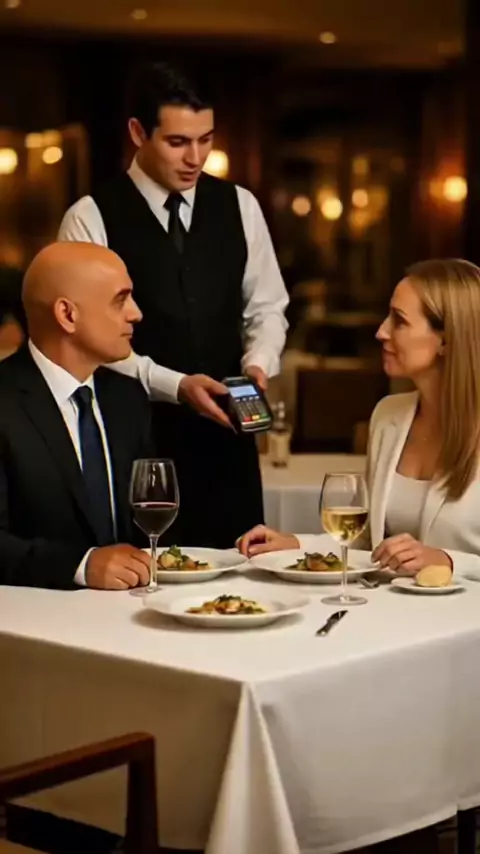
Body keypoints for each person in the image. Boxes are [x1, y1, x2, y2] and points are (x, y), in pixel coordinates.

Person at [58, 61, 289, 548]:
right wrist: (175, 385)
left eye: (206, 140)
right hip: (133, 445)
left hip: (228, 447)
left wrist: (259, 362)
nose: (196, 158)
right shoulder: (90, 217)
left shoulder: (240, 205)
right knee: (143, 578)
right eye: (178, 142)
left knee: (244, 574)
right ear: (138, 133)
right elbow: (83, 344)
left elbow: (267, 307)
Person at [238, 258, 480, 576]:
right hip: (391, 604)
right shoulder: (389, 416)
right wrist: (295, 544)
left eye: (399, 321)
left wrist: (449, 562)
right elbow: (368, 543)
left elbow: (440, 560)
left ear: (446, 339)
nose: (381, 332)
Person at [0, 241, 153, 590]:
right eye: (120, 300)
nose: (136, 313)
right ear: (67, 315)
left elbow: (148, 520)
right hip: (33, 617)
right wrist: (81, 565)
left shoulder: (127, 397)